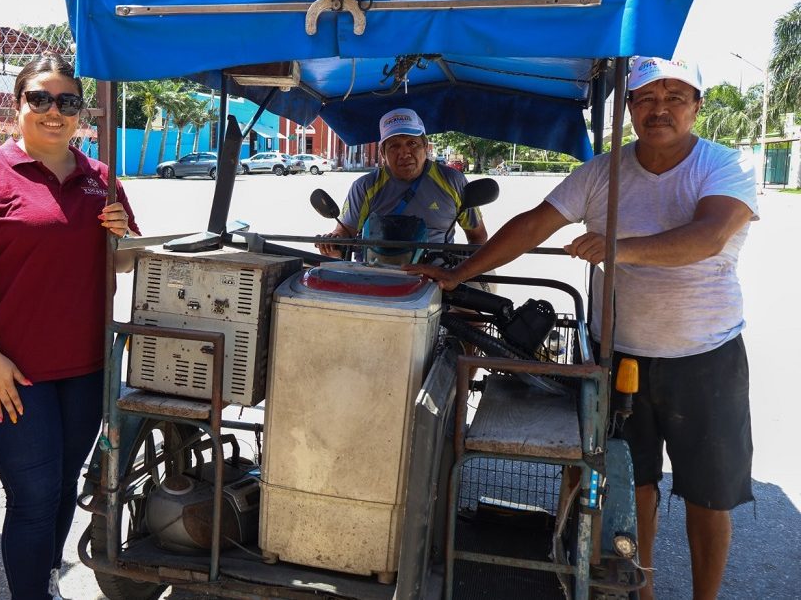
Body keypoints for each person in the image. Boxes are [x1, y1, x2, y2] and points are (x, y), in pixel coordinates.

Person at [406, 56, 758, 600]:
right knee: (631, 483)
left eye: (674, 97)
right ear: (630, 109)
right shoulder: (602, 171)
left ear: (697, 107)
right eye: (645, 98)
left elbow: (708, 237)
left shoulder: (723, 165)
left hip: (706, 357)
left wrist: (619, 248)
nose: (658, 109)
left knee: (709, 497)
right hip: (618, 356)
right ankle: (642, 592)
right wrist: (459, 273)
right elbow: (533, 224)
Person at [0, 53, 139, 600]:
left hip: (85, 365)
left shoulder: (101, 177)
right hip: (8, 370)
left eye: (67, 102)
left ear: (81, 113)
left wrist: (119, 237)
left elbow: (121, 262)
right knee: (32, 494)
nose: (55, 111)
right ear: (18, 105)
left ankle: (44, 580)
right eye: (40, 99)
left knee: (61, 487)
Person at [316, 107, 488, 259]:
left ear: (425, 146)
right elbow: (345, 234)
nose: (404, 153)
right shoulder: (364, 186)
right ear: (383, 153)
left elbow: (478, 237)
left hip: (438, 278)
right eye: (394, 146)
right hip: (375, 275)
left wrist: (460, 271)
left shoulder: (453, 181)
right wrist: (333, 245)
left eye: (412, 143)